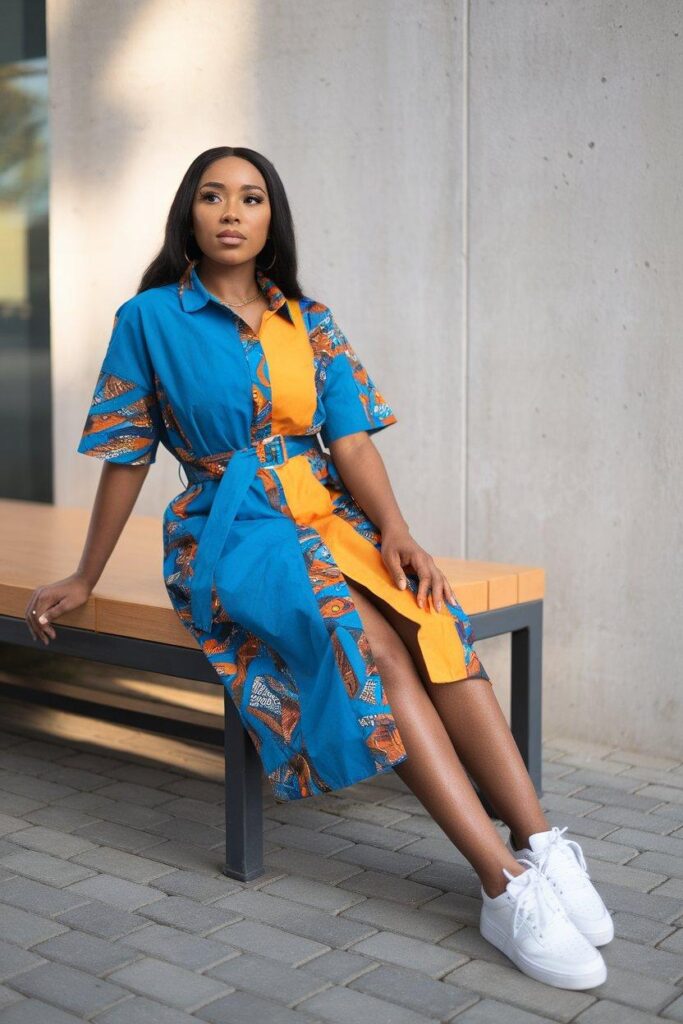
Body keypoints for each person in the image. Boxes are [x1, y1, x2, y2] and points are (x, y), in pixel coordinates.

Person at [24, 145, 613, 989]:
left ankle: (541, 843)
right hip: (226, 532)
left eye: (251, 197)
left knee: (431, 619)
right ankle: (502, 884)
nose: (231, 211)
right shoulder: (149, 318)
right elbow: (125, 455)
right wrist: (86, 573)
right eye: (213, 196)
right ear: (189, 214)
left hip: (323, 516)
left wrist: (398, 532)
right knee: (366, 643)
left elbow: (349, 439)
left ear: (272, 219)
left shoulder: (310, 317)